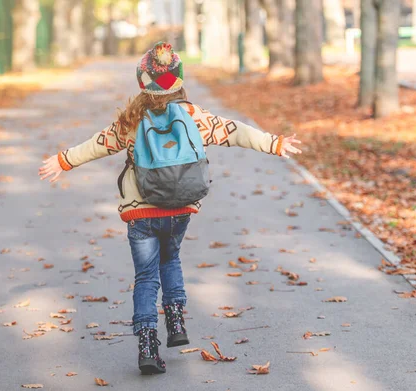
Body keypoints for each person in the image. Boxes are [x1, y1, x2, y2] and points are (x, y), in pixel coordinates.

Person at [39, 42, 302, 375]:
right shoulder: (193, 116)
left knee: (146, 277)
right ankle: (176, 321)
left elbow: (98, 145)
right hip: (179, 209)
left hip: (141, 213)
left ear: (142, 82)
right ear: (178, 80)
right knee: (171, 258)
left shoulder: (131, 120)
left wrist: (64, 161)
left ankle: (148, 346)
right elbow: (234, 131)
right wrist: (274, 143)